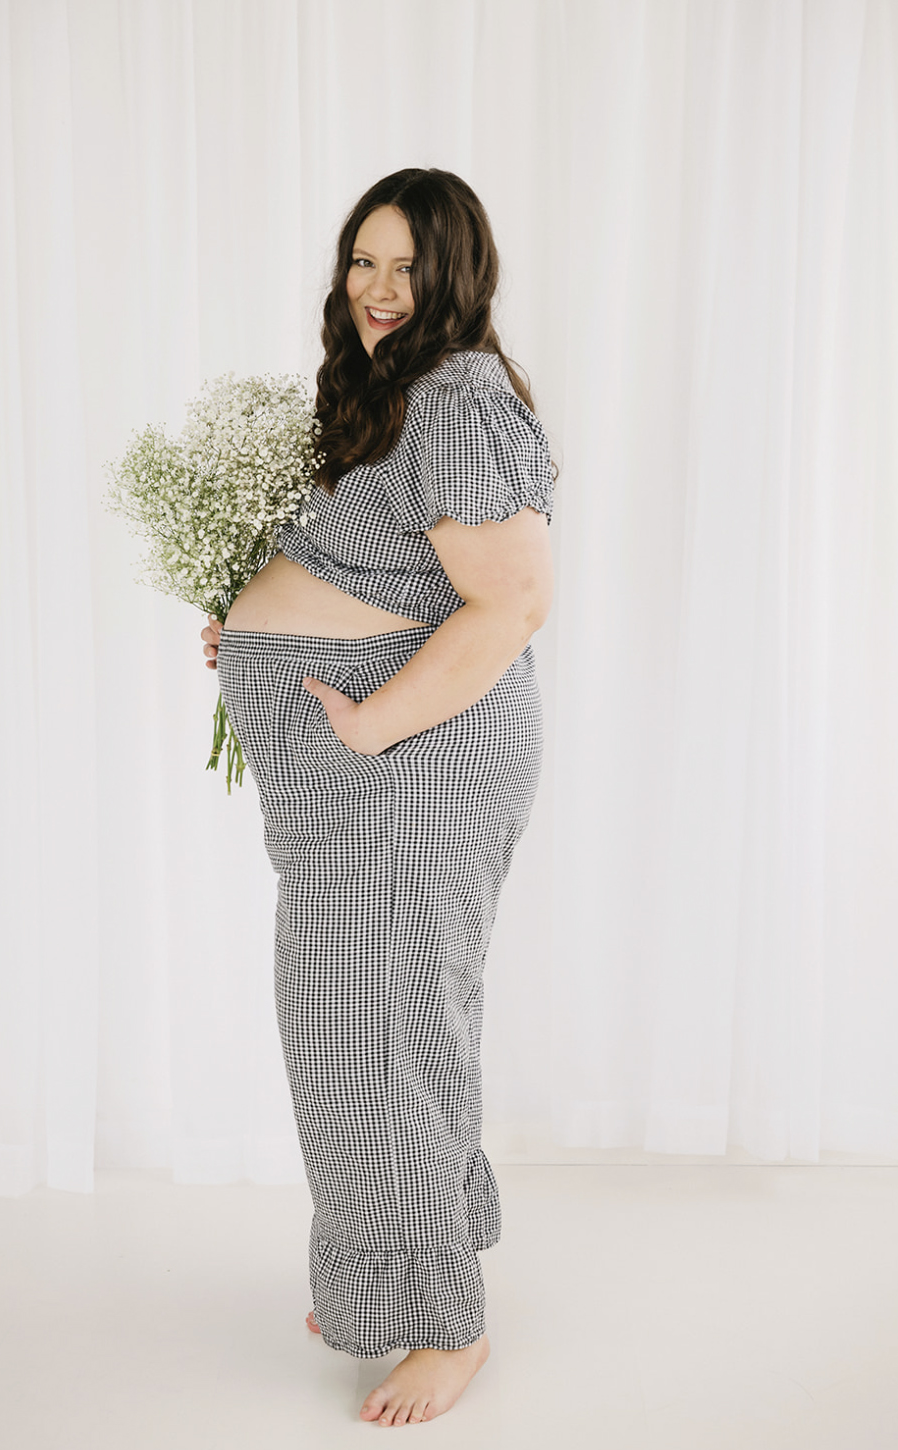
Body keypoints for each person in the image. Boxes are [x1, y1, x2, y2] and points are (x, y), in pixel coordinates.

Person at [200, 168, 556, 1428]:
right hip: (369, 775)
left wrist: (367, 718)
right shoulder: (389, 398)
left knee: (375, 1041)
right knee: (379, 1025)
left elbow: (511, 600)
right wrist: (258, 623)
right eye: (363, 260)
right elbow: (391, 569)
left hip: (407, 769)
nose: (380, 289)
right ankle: (389, 1276)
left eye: (407, 266)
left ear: (458, 274)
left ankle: (443, 1326)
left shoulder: (455, 398)